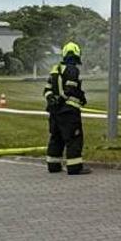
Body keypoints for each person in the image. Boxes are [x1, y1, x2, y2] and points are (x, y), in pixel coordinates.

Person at [44, 41, 89, 175]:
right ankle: (75, 167)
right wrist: (81, 98)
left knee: (56, 138)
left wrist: (52, 99)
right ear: (76, 54)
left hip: (54, 112)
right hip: (69, 112)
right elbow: (71, 88)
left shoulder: (55, 69)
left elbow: (47, 90)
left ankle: (53, 165)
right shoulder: (72, 69)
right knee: (74, 139)